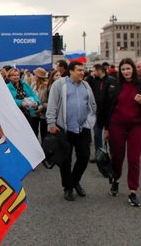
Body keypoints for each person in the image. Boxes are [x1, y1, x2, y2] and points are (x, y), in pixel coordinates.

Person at [102, 58, 141, 207]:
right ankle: (116, 180)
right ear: (120, 71)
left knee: (134, 158)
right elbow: (107, 108)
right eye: (123, 69)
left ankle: (133, 191)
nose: (126, 72)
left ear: (133, 69)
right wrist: (106, 128)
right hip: (117, 125)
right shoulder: (115, 86)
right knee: (118, 156)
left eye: (128, 68)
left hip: (136, 126)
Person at [46, 61, 97, 201]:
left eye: (83, 70)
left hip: (82, 128)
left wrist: (91, 120)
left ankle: (75, 180)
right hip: (64, 128)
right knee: (65, 160)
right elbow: (52, 104)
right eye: (79, 70)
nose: (82, 72)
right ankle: (68, 187)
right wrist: (51, 122)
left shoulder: (86, 85)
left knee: (84, 156)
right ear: (71, 71)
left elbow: (92, 104)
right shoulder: (59, 85)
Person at [88, 64, 116, 163]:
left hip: (109, 111)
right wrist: (90, 77)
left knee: (110, 135)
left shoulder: (111, 80)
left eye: (94, 70)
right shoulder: (94, 80)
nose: (93, 72)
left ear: (99, 70)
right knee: (97, 134)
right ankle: (99, 154)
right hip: (97, 111)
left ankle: (113, 155)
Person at [7, 68, 41, 133]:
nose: (16, 77)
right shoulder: (7, 87)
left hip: (28, 113)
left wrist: (36, 102)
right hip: (16, 115)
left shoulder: (24, 85)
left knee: (30, 132)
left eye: (17, 75)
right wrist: (21, 103)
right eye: (13, 75)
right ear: (9, 77)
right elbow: (8, 100)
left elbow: (33, 95)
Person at [31, 67, 49, 141]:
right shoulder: (33, 85)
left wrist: (41, 108)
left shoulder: (46, 86)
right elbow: (31, 96)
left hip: (43, 112)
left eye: (35, 75)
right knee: (34, 131)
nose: (34, 76)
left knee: (44, 132)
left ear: (38, 76)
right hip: (34, 111)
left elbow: (48, 100)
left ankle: (44, 149)